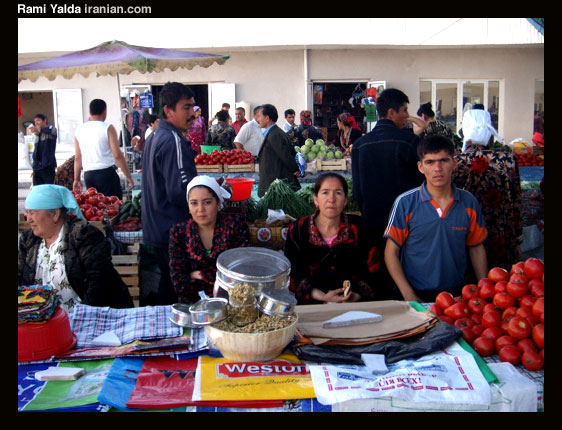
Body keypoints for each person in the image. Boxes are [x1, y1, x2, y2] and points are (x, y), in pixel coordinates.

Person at [384, 135, 488, 303]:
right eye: (430, 162)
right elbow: (391, 252)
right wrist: (408, 294)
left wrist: (484, 288)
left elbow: (476, 247)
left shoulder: (468, 202)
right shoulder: (405, 203)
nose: (437, 168)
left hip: (457, 296)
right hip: (416, 294)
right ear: (420, 167)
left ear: (454, 163)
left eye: (444, 160)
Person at [351, 88, 424, 299]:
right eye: (404, 111)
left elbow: (358, 190)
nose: (406, 116)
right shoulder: (409, 142)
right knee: (406, 279)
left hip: (373, 224)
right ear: (391, 113)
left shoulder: (359, 145)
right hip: (406, 227)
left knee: (380, 278)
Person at [18, 185, 134, 313]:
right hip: (41, 321)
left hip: (87, 317)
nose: (28, 219)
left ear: (55, 214)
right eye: (27, 213)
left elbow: (98, 283)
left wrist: (77, 320)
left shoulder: (84, 236)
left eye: (32, 213)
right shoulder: (28, 241)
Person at [141, 81, 198, 305]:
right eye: (186, 107)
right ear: (167, 109)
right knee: (177, 296)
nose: (192, 113)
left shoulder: (154, 136)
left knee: (166, 296)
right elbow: (180, 192)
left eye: (193, 107)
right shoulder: (173, 139)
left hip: (155, 230)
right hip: (172, 232)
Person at [284, 173, 381, 304]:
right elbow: (294, 274)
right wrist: (322, 297)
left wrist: (356, 295)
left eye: (338, 193)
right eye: (325, 192)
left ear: (345, 200)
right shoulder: (298, 230)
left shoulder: (360, 228)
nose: (331, 199)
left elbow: (374, 269)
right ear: (316, 199)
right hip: (313, 307)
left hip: (356, 307)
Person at [169, 176, 250, 304]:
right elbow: (179, 283)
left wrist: (198, 275)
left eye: (207, 202)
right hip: (193, 307)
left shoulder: (236, 225)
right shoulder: (179, 232)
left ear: (218, 203)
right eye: (194, 203)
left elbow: (240, 274)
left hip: (233, 304)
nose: (200, 209)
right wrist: (218, 276)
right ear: (188, 206)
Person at [454, 135, 523, 271]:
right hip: (502, 226)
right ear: (491, 138)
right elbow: (516, 200)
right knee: (502, 281)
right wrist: (518, 238)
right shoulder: (508, 159)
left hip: (469, 225)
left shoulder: (458, 161)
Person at [73, 99, 134, 199]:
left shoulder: (79, 130)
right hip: (106, 174)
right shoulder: (108, 128)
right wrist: (128, 175)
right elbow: (117, 155)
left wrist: (76, 179)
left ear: (90, 112)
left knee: (95, 209)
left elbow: (78, 158)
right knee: (112, 207)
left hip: (88, 175)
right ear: (105, 111)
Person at [256, 104, 302, 197]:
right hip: (275, 185)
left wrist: (297, 169)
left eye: (259, 116)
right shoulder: (275, 132)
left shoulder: (275, 134)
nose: (258, 119)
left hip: (276, 185)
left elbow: (286, 156)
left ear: (267, 118)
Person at [30, 114, 57, 186]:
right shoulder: (36, 135)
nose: (36, 123)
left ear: (45, 121)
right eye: (35, 121)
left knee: (48, 189)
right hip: (37, 167)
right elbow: (36, 151)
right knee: (37, 191)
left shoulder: (51, 130)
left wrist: (39, 130)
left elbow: (52, 130)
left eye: (38, 120)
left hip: (47, 166)